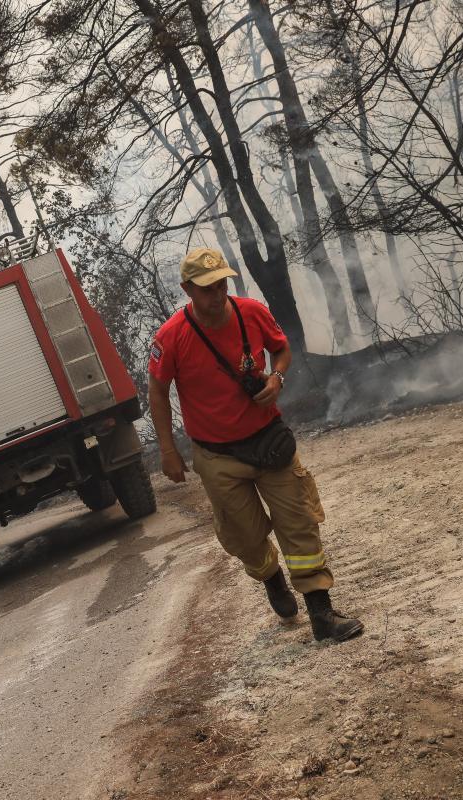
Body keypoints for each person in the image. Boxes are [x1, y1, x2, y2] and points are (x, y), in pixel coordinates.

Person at [147, 247, 363, 643]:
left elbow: (281, 348)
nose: (217, 294)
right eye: (207, 288)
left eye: (222, 284)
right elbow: (158, 392)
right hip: (217, 454)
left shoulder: (252, 312)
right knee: (244, 536)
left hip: (269, 441)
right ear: (187, 290)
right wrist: (167, 450)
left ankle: (322, 613)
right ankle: (270, 578)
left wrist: (276, 378)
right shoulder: (170, 337)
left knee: (298, 522)